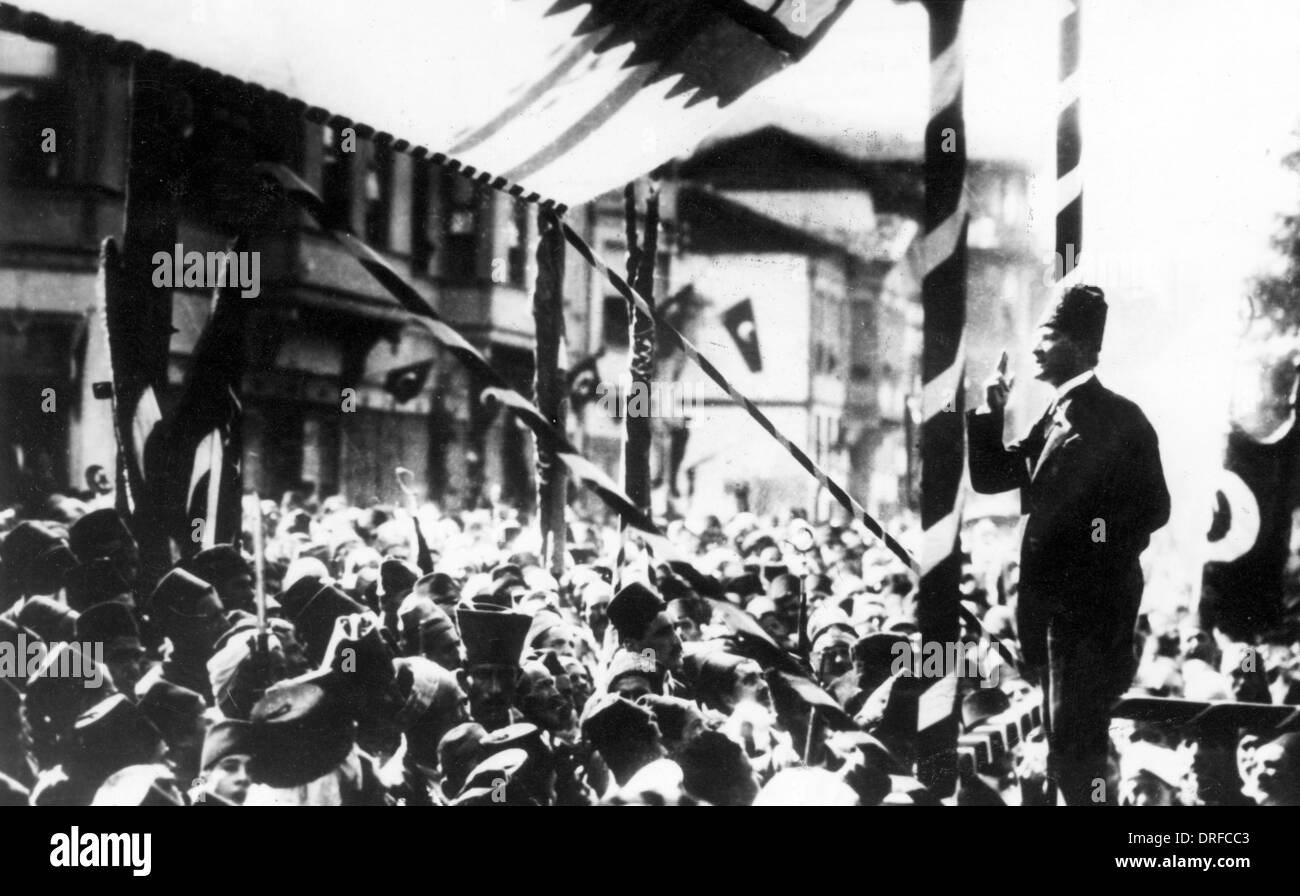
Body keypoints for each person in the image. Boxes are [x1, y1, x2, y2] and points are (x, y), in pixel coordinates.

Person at [967, 284, 1170, 805]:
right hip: (1058, 623)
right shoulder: (1057, 415)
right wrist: (992, 413)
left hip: (1089, 621)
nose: (1035, 347)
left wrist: (1093, 546)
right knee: (1067, 757)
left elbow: (1153, 509)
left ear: (1081, 347)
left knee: (1078, 763)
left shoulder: (1117, 419)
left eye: (1048, 335)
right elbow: (992, 477)